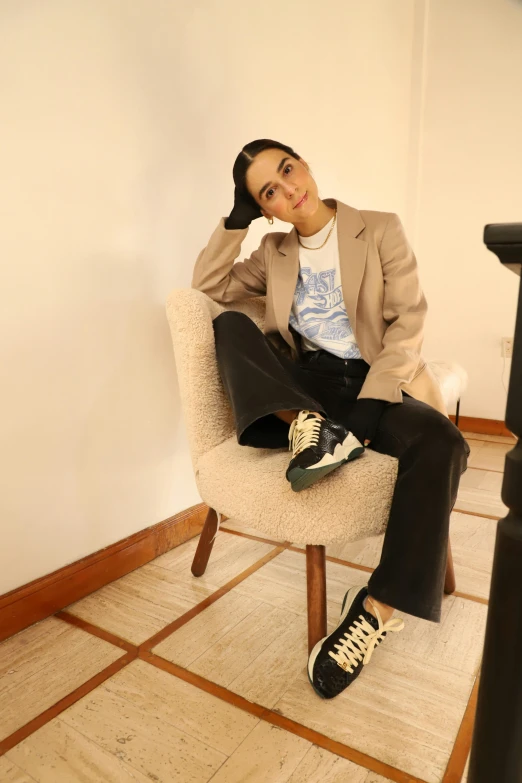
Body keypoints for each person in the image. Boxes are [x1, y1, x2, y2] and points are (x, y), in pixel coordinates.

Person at [192, 139, 470, 700]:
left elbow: (408, 319)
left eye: (288, 170)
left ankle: (373, 610)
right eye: (269, 190)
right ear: (265, 208)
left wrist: (371, 408)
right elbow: (209, 288)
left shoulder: (379, 228)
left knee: (443, 442)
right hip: (307, 385)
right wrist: (236, 221)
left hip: (373, 380)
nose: (289, 189)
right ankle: (305, 427)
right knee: (229, 326)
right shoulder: (272, 250)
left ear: (307, 166)